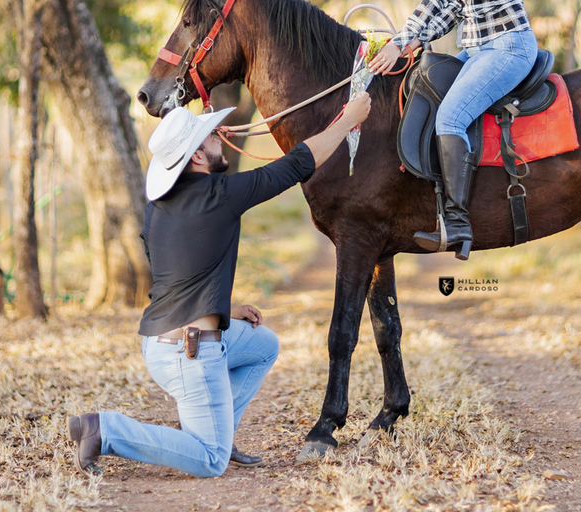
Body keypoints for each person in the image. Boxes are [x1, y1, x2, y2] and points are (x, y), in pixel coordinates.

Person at [68, 91, 372, 477]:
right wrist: (347, 121)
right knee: (210, 462)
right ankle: (105, 430)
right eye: (211, 137)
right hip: (189, 352)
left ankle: (217, 431)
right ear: (196, 156)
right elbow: (297, 164)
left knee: (264, 344)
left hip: (161, 343)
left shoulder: (156, 210)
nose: (221, 137)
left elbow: (177, 279)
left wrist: (224, 310)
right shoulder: (220, 196)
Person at [368, 0, 536, 261]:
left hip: (506, 46)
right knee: (425, 85)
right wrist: (409, 42)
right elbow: (452, 12)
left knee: (451, 117)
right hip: (479, 49)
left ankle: (457, 222)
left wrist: (404, 36)